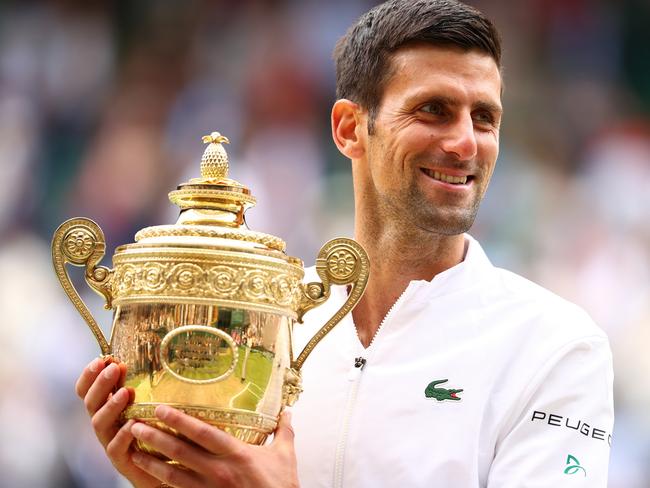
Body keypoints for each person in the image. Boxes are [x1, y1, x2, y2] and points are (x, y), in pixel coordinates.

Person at [75, 1, 614, 486]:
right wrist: (163, 476)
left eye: (485, 118)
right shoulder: (270, 316)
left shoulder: (557, 347)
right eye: (433, 110)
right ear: (350, 128)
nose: (465, 143)